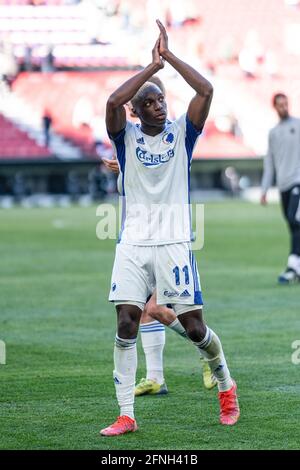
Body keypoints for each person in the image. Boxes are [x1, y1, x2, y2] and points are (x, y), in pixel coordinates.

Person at [100, 20, 239, 436]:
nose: (160, 105)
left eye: (161, 100)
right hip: (133, 244)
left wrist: (170, 58)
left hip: (175, 242)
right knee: (127, 323)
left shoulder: (183, 134)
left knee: (194, 328)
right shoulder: (125, 140)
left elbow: (206, 91)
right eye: (151, 103)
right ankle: (127, 414)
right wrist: (150, 69)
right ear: (137, 112)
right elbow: (112, 101)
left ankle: (226, 387)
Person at [103, 153, 217, 395]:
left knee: (155, 308)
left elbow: (161, 179)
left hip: (169, 239)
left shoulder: (161, 139)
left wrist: (127, 166)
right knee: (145, 309)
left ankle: (206, 353)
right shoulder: (130, 140)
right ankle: (156, 378)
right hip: (139, 240)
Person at [261, 93, 300, 283]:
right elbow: (270, 163)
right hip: (283, 185)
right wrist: (264, 189)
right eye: (280, 105)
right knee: (293, 225)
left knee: (295, 220)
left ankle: (293, 266)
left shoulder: (298, 125)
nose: (284, 107)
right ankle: (296, 269)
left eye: (286, 104)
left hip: (298, 182)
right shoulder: (273, 133)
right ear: (275, 107)